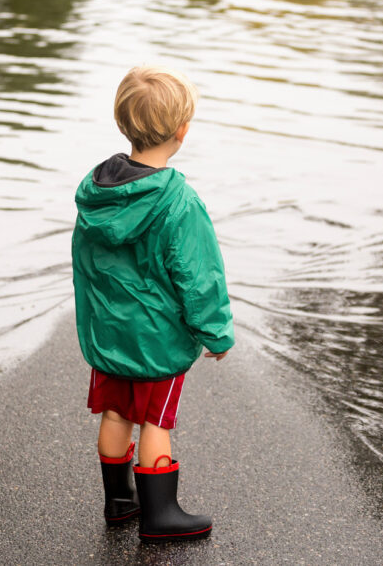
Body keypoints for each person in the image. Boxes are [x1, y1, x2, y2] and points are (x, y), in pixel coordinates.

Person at [71, 65, 235, 543]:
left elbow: (87, 263)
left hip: (109, 333)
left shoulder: (97, 193)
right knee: (154, 421)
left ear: (123, 124)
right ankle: (161, 514)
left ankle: (119, 501)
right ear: (182, 131)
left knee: (116, 413)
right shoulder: (178, 202)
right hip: (155, 341)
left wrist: (96, 317)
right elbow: (199, 277)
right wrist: (216, 333)